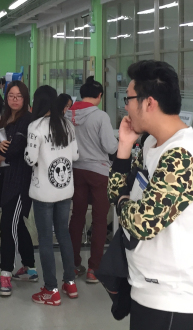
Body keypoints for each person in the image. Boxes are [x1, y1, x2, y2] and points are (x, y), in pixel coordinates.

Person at [110, 61, 193, 330]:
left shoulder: (181, 154)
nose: (126, 107)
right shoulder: (151, 144)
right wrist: (124, 147)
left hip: (174, 299)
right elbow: (116, 190)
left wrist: (123, 202)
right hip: (147, 287)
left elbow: (142, 222)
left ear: (149, 103)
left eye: (128, 99)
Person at [24, 86, 79, 306]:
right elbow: (75, 155)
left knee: (45, 239)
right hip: (65, 189)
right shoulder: (67, 125)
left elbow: (30, 159)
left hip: (43, 192)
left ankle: (51, 289)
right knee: (63, 234)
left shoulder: (35, 126)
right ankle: (70, 283)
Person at [67, 78, 117, 283]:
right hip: (98, 172)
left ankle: (73, 264)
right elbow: (110, 147)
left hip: (75, 170)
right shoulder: (100, 116)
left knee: (77, 217)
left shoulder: (67, 114)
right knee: (99, 219)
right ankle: (93, 269)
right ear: (99, 96)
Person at [0, 80, 37, 295]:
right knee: (17, 225)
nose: (15, 99)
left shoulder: (28, 120)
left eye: (19, 96)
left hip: (20, 180)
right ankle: (29, 267)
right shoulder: (6, 117)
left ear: (25, 98)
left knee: (7, 226)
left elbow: (16, 148)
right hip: (6, 179)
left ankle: (6, 273)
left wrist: (0, 153)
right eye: (11, 95)